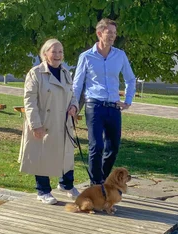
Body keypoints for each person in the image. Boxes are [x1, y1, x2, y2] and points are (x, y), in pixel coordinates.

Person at [73, 18, 136, 185]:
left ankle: (102, 179)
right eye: (109, 33)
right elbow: (77, 84)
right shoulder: (86, 57)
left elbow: (130, 79)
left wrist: (127, 100)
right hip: (94, 106)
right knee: (96, 146)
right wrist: (73, 106)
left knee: (113, 148)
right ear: (99, 33)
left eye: (114, 33)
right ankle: (96, 183)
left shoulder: (120, 55)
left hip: (114, 107)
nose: (113, 37)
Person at [18, 38, 80, 204]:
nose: (57, 55)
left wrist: (74, 106)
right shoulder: (35, 73)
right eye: (54, 51)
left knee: (66, 155)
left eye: (60, 52)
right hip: (44, 123)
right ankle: (43, 190)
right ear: (45, 54)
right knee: (42, 156)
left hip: (63, 122)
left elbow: (72, 95)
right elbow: (29, 101)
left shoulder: (66, 72)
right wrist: (35, 125)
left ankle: (66, 185)